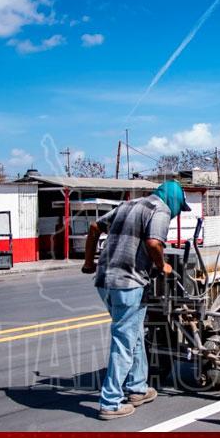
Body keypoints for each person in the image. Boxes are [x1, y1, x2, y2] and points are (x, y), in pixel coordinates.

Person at [81, 180, 190, 420]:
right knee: (124, 340)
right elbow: (153, 243)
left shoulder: (127, 205)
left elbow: (93, 227)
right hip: (128, 284)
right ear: (172, 200)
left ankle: (138, 388)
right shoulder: (159, 210)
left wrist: (89, 263)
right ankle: (110, 402)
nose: (175, 214)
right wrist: (163, 266)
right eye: (178, 208)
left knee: (135, 334)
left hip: (105, 282)